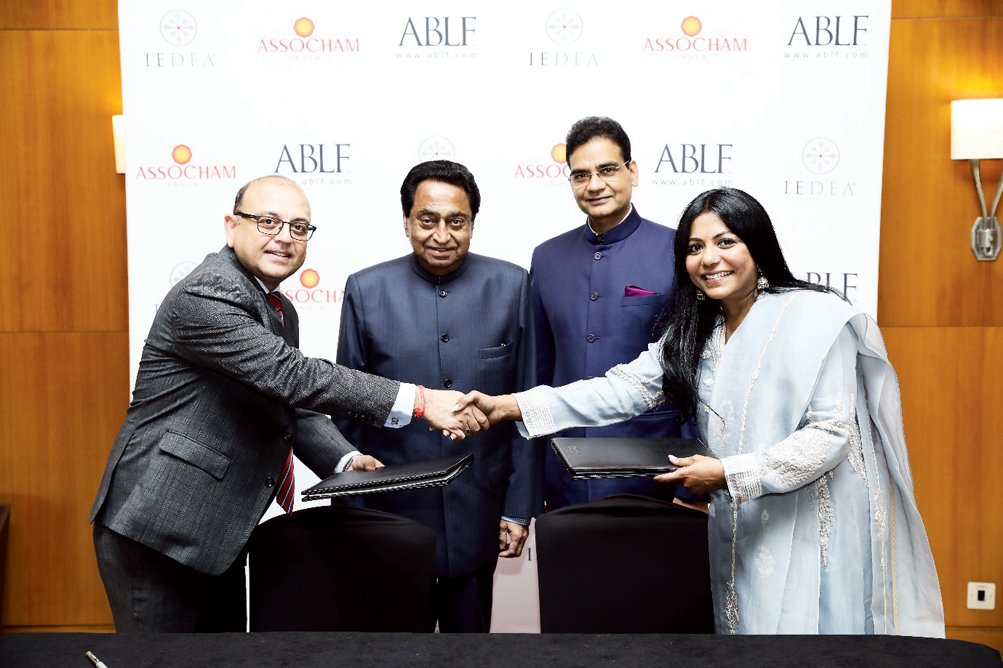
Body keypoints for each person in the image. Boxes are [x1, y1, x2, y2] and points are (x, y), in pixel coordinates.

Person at [457, 187, 946, 636]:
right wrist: (511, 404)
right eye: (694, 248)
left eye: (725, 242)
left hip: (813, 521)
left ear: (757, 245)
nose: (709, 259)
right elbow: (621, 390)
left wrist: (729, 473)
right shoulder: (698, 331)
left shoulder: (815, 318)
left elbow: (831, 434)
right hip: (741, 520)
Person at [89, 174, 485, 632]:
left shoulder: (275, 307)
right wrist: (419, 401)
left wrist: (345, 459)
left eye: (299, 228)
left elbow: (292, 404)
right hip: (158, 527)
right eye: (268, 221)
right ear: (230, 226)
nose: (284, 237)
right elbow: (293, 376)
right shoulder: (208, 293)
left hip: (215, 533)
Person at [334, 160, 541, 633]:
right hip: (393, 513)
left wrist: (518, 505)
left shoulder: (512, 285)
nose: (442, 235)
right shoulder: (366, 289)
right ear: (406, 221)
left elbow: (527, 405)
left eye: (457, 221)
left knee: (469, 651)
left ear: (472, 223)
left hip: (481, 507)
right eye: (427, 220)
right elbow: (347, 407)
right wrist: (351, 515)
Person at [530, 116, 681, 509]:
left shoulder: (678, 251)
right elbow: (538, 373)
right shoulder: (546, 258)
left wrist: (689, 485)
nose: (594, 185)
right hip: (562, 474)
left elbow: (694, 374)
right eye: (581, 175)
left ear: (632, 171)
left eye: (607, 170)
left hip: (653, 472)